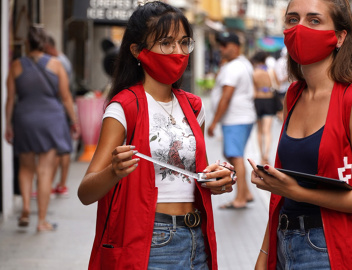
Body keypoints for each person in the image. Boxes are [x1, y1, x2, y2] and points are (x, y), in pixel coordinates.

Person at [247, 0, 352, 269]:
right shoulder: (294, 95)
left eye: (314, 20)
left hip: (333, 248)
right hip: (285, 243)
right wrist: (265, 254)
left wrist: (301, 193)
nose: (300, 28)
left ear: (339, 36)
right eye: (293, 19)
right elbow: (285, 192)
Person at [77, 2, 235, 269]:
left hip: (198, 237)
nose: (178, 52)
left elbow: (195, 176)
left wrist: (218, 178)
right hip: (153, 242)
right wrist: (114, 171)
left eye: (184, 42)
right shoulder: (124, 107)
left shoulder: (194, 106)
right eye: (166, 43)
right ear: (138, 51)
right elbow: (85, 192)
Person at [4, 25, 78, 231]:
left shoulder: (16, 66)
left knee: (26, 168)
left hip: (24, 119)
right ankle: (42, 221)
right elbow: (65, 98)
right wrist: (74, 122)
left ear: (27, 44)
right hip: (50, 121)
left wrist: (7, 124)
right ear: (45, 43)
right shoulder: (56, 65)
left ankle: (26, 207)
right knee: (45, 171)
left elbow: (10, 99)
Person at [208, 31, 257, 209]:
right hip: (241, 117)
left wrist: (214, 122)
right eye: (220, 45)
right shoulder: (242, 63)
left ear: (235, 47)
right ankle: (246, 192)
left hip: (236, 118)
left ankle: (241, 198)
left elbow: (226, 97)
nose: (221, 49)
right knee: (232, 155)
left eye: (225, 45)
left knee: (235, 157)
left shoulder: (233, 67)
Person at [44, 34, 76, 197]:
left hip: (61, 109)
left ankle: (59, 183)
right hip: (63, 109)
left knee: (61, 149)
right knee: (62, 148)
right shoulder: (62, 60)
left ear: (49, 47)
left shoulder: (59, 63)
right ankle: (60, 183)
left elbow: (63, 92)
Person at [251, 51, 278, 165]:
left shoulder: (254, 72)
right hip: (269, 100)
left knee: (259, 130)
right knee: (267, 130)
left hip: (257, 100)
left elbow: (251, 90)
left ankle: (261, 155)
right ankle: (267, 155)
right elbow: (277, 85)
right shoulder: (271, 71)